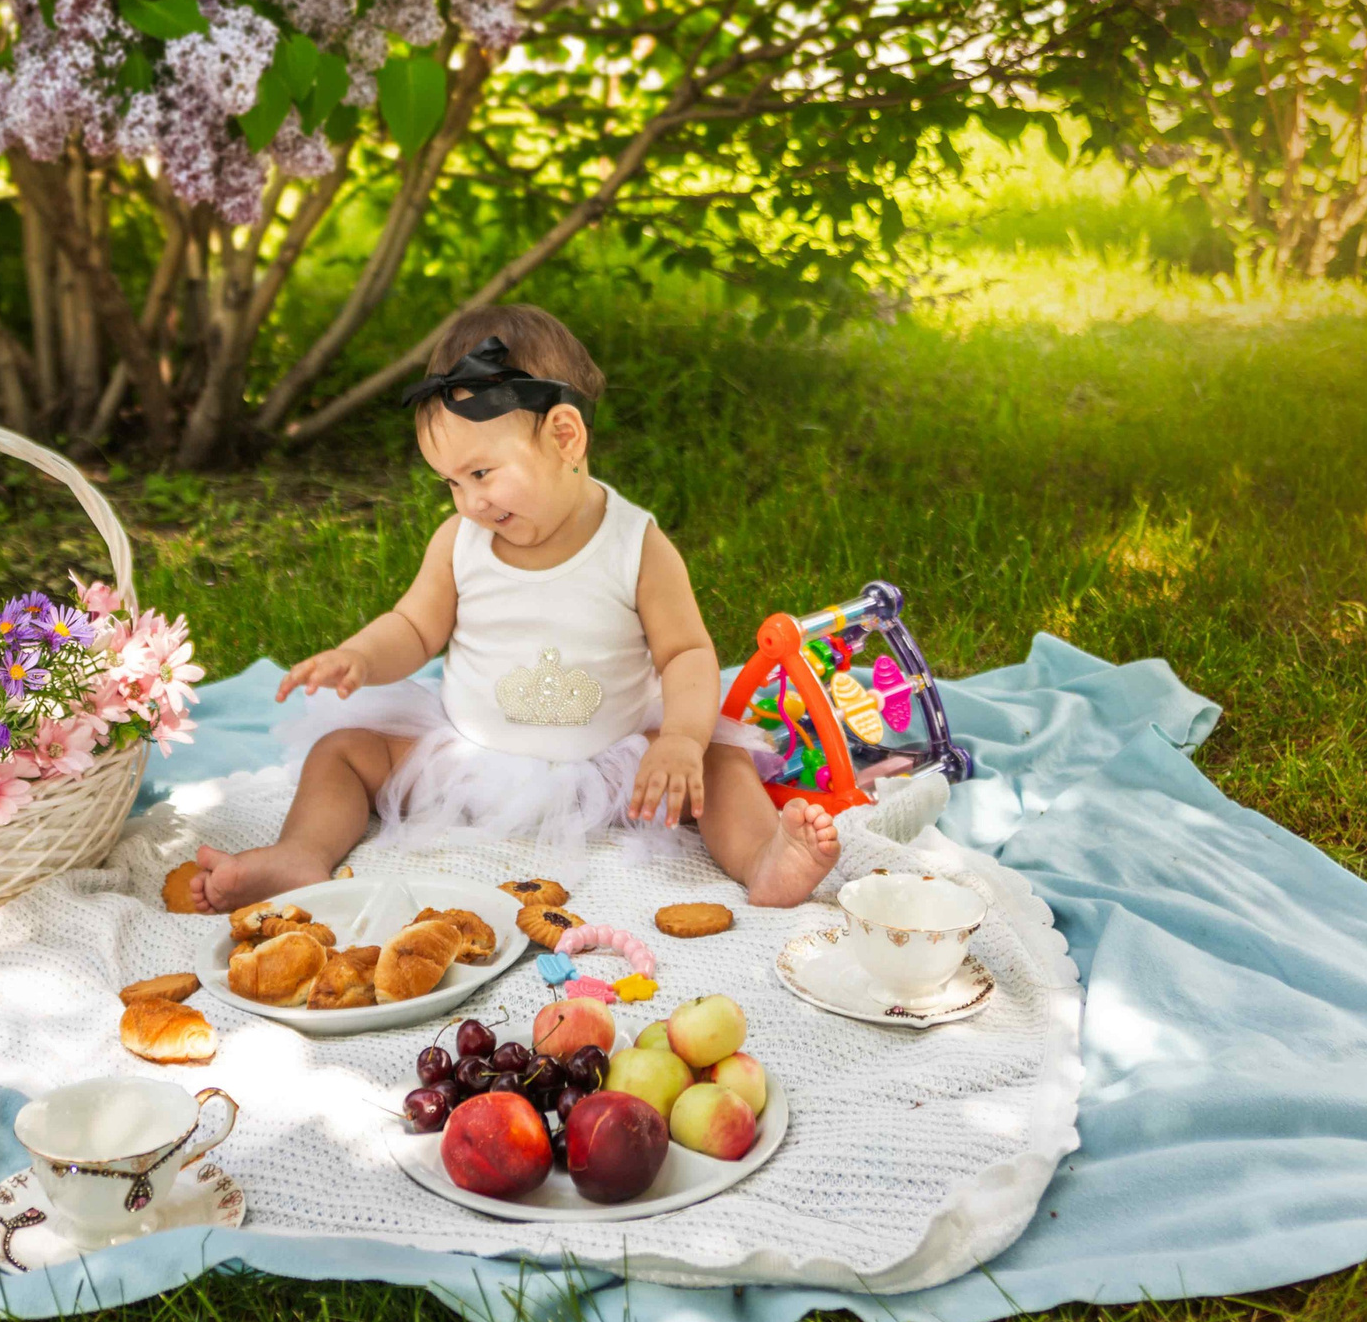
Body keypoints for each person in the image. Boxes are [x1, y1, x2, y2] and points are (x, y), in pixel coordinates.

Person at [192, 304, 892, 913]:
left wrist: (678, 737)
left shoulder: (635, 544)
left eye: (481, 473)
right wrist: (360, 656)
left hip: (613, 756)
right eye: (451, 483)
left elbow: (686, 653)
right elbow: (413, 626)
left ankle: (763, 858)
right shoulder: (460, 542)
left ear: (566, 437)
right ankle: (300, 852)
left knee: (716, 759)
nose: (469, 501)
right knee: (341, 750)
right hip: (467, 753)